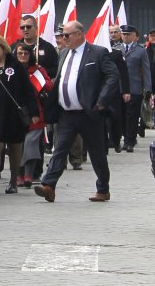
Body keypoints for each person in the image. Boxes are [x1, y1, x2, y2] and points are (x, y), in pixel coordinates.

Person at [35, 21, 119, 203]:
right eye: (62, 35)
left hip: (89, 113)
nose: (63, 39)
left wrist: (102, 102)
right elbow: (62, 79)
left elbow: (113, 77)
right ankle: (49, 185)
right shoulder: (64, 53)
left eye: (67, 35)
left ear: (80, 34)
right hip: (67, 113)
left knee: (97, 154)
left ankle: (103, 189)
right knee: (59, 150)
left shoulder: (97, 53)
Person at [0, 34, 38, 195]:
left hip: (15, 112)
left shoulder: (16, 66)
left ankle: (13, 181)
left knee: (15, 148)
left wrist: (34, 112)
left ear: (3, 47)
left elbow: (28, 90)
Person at [14, 42, 52, 188]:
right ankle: (18, 174)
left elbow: (49, 85)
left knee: (31, 144)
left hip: (36, 113)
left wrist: (39, 82)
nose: (23, 56)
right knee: (19, 145)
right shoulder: (11, 69)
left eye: (26, 53)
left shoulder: (38, 70)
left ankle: (29, 174)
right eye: (20, 53)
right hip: (16, 114)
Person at [120, 25, 151, 152]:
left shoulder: (140, 50)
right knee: (120, 115)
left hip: (134, 88)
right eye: (124, 34)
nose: (125, 36)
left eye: (128, 34)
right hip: (119, 88)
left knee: (132, 116)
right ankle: (122, 138)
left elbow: (146, 70)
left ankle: (129, 141)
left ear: (134, 36)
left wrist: (148, 88)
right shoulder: (116, 49)